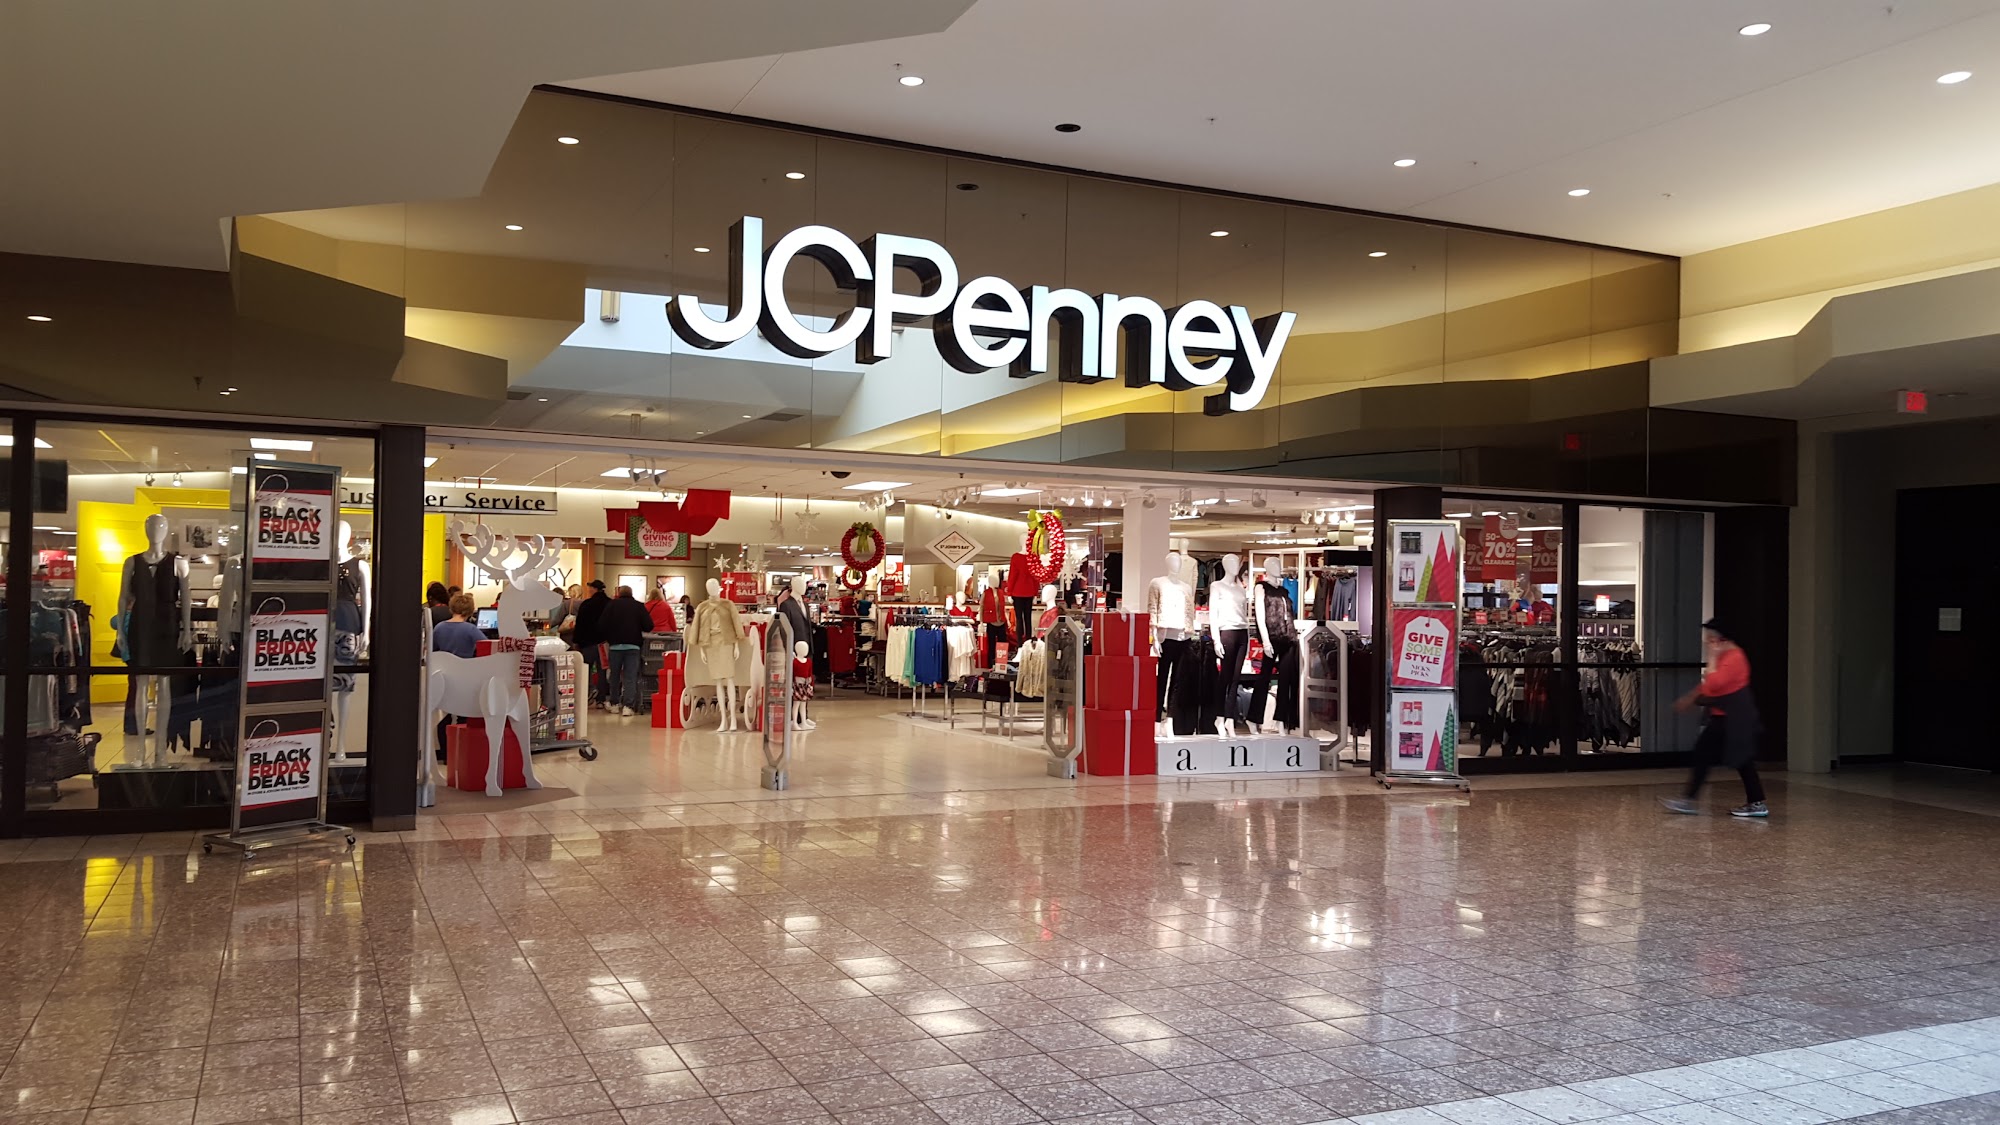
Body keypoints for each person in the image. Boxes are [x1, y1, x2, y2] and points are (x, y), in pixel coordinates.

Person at [1662, 619, 1767, 818]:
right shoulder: (1727, 656)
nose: (1706, 642)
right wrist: (1690, 698)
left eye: (1710, 638)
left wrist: (1711, 658)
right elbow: (1708, 687)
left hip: (1734, 718)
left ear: (1720, 639)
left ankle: (1756, 803)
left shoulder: (1735, 657)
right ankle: (1690, 800)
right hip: (1724, 717)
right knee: (1709, 755)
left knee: (1739, 759)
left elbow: (1715, 683)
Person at [598, 584, 654, 716]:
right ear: (631, 594)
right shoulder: (638, 606)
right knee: (630, 677)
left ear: (619, 594)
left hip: (615, 646)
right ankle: (628, 706)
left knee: (614, 676)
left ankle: (614, 704)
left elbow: (601, 625)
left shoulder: (611, 605)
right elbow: (649, 626)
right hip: (633, 646)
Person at [573, 579, 611, 707]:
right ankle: (601, 699)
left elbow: (580, 625)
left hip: (588, 643)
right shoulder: (609, 604)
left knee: (586, 669)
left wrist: (576, 641)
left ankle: (587, 694)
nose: (589, 590)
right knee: (602, 671)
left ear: (595, 589)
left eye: (590, 588)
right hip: (604, 643)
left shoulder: (586, 604)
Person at [431, 593, 483, 658]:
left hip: (444, 663)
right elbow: (487, 647)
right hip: (465, 663)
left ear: (451, 608)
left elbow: (432, 649)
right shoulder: (471, 629)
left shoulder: (439, 627)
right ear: (471, 610)